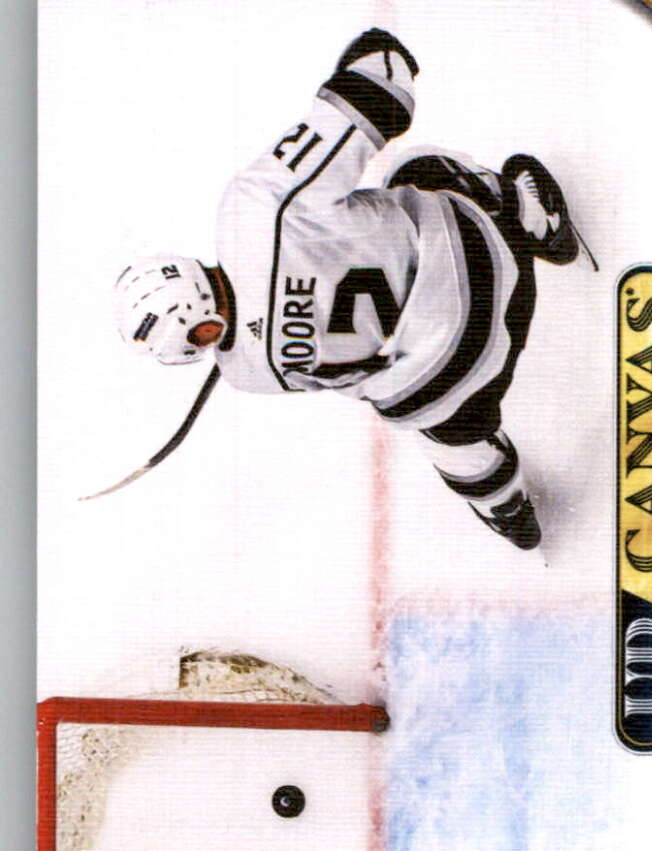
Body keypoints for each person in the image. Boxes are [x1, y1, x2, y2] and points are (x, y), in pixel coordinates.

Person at [114, 28, 583, 549]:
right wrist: (375, 58)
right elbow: (375, 102)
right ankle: (533, 221)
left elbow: (268, 324)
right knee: (416, 170)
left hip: (465, 376)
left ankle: (504, 508)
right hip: (491, 269)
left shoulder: (248, 374)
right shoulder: (251, 213)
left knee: (434, 419)